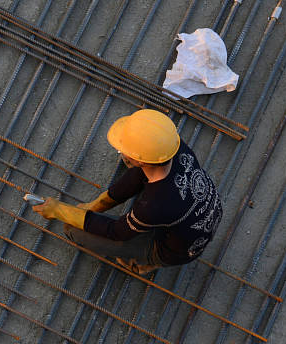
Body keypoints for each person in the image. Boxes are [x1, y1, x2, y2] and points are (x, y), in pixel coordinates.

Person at [32, 109, 222, 275]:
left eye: (124, 149)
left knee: (72, 229)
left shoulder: (153, 206)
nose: (121, 150)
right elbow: (138, 174)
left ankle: (149, 261)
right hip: (203, 216)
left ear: (140, 160)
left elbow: (116, 231)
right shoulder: (173, 147)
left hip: (177, 250)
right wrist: (93, 207)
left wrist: (59, 210)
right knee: (137, 176)